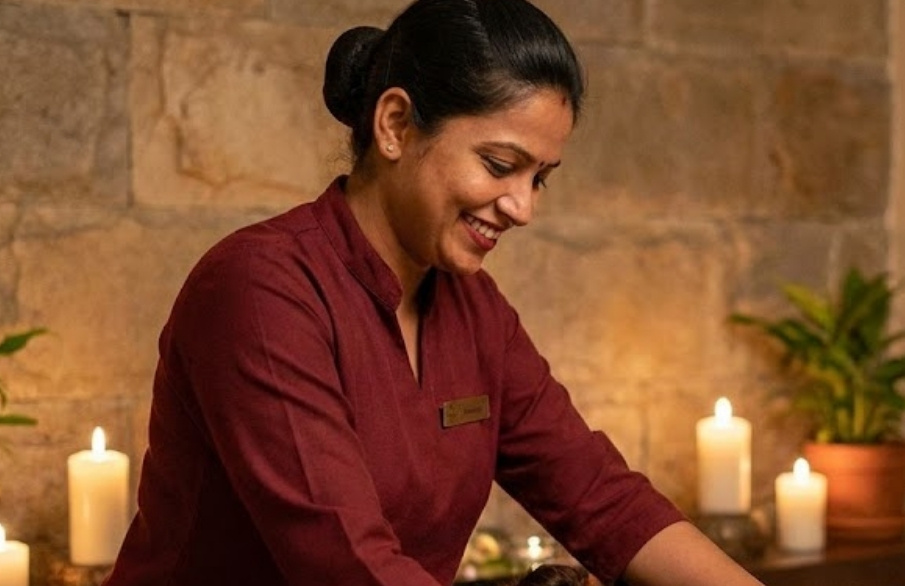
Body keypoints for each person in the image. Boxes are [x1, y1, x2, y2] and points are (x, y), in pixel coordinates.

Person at [103, 0, 765, 584]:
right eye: (500, 165)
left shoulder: (476, 310)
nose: (523, 207)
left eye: (540, 178)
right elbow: (345, 563)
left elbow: (603, 499)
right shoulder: (258, 289)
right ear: (395, 124)